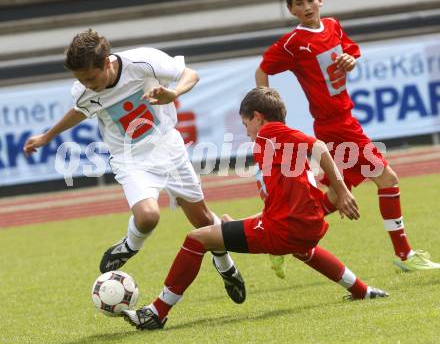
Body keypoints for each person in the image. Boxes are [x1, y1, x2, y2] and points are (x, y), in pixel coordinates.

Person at [122, 87, 388, 330]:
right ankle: (362, 290)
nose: (245, 129)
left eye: (245, 122)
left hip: (285, 228)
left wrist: (340, 190)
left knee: (196, 239)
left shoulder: (270, 133)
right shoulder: (280, 148)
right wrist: (231, 225)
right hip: (304, 224)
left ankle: (156, 313)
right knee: (300, 248)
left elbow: (317, 146)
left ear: (258, 117)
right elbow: (280, 204)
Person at [23, 29, 245, 304]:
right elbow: (80, 110)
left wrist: (172, 93)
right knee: (148, 217)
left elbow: (191, 75)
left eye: (91, 78)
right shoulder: (84, 90)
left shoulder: (141, 62)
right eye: (81, 80)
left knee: (202, 220)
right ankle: (129, 246)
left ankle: (227, 267)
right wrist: (47, 136)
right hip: (129, 158)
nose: (87, 85)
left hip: (167, 146)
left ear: (106, 63)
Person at [255, 0, 440, 277]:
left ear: (321, 0)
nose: (307, 6)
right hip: (336, 126)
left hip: (344, 120)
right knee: (388, 179)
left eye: (311, 0)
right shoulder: (293, 43)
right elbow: (262, 70)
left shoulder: (333, 26)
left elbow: (350, 51)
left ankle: (282, 241)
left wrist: (351, 60)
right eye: (299, 3)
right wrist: (268, 113)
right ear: (291, 10)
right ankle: (404, 255)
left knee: (329, 197)